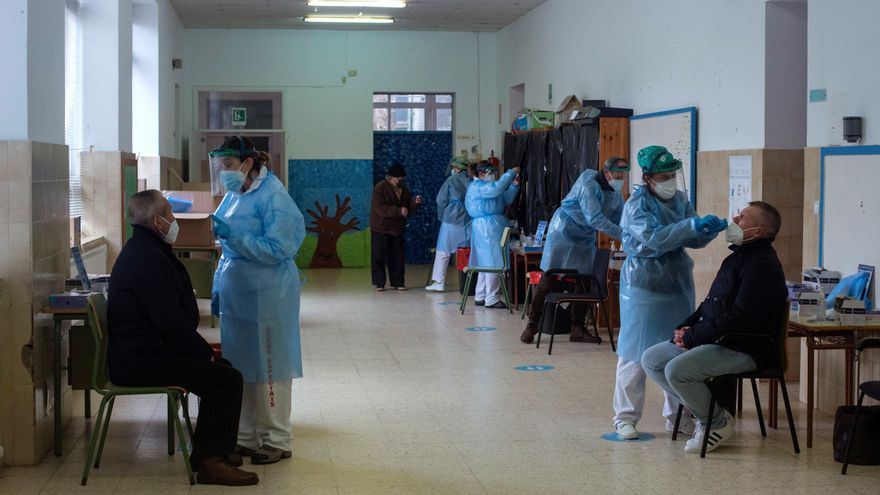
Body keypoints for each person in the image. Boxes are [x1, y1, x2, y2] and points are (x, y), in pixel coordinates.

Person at [108, 190, 258, 486]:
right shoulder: (147, 258)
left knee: (223, 370)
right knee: (226, 378)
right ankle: (211, 463)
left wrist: (203, 352)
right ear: (156, 221)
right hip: (142, 361)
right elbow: (169, 323)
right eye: (170, 215)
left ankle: (210, 451)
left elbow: (169, 319)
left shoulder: (146, 248)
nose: (174, 220)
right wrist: (204, 352)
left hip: (146, 352)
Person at [641, 202, 787, 453]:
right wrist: (685, 328)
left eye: (742, 217)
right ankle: (707, 412)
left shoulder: (762, 265)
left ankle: (715, 421)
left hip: (747, 347)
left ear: (759, 231)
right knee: (652, 359)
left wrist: (694, 337)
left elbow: (740, 318)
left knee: (677, 370)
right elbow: (710, 304)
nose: (735, 218)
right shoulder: (737, 257)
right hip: (721, 339)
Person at [612, 145, 727, 440]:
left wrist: (706, 230)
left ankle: (678, 416)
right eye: (663, 174)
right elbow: (655, 239)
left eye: (671, 173)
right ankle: (625, 417)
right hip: (643, 285)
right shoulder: (636, 205)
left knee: (677, 352)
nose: (669, 179)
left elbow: (692, 239)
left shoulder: (679, 200)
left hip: (677, 285)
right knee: (635, 354)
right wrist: (690, 225)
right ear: (648, 177)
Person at [209, 136, 306, 465]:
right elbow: (225, 250)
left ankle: (277, 438)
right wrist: (218, 286)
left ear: (248, 164)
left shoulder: (274, 197)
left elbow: (278, 249)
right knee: (240, 366)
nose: (224, 173)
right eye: (221, 166)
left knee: (269, 366)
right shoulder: (235, 195)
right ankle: (246, 436)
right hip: (239, 295)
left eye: (229, 166)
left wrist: (234, 237)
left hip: (268, 293)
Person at [520, 157, 630, 344]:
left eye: (623, 174)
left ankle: (577, 328)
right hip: (563, 231)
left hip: (584, 237)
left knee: (584, 281)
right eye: (617, 173)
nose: (620, 177)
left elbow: (621, 222)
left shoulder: (616, 196)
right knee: (549, 278)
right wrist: (625, 235)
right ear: (606, 172)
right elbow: (595, 219)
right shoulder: (588, 185)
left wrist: (631, 237)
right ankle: (532, 325)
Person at [464, 160, 520, 309]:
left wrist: (514, 186)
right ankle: (492, 298)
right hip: (487, 229)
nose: (495, 176)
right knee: (493, 262)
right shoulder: (478, 187)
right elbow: (497, 189)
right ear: (482, 173)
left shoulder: (486, 188)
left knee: (485, 262)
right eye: (492, 173)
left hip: (490, 227)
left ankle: (481, 295)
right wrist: (511, 173)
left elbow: (504, 198)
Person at [369, 162, 422, 291]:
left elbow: (407, 208)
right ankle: (379, 283)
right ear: (391, 177)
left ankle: (398, 282)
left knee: (398, 256)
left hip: (397, 229)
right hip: (381, 228)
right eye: (399, 178)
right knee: (378, 256)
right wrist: (398, 211)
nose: (401, 180)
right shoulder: (380, 188)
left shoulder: (404, 190)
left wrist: (415, 203)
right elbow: (380, 208)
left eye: (402, 178)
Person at [426, 156, 472, 292]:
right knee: (468, 250)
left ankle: (439, 282)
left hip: (452, 218)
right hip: (468, 218)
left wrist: (442, 215)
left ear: (457, 168)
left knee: (443, 250)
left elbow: (440, 200)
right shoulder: (470, 181)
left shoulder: (451, 180)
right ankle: (470, 283)